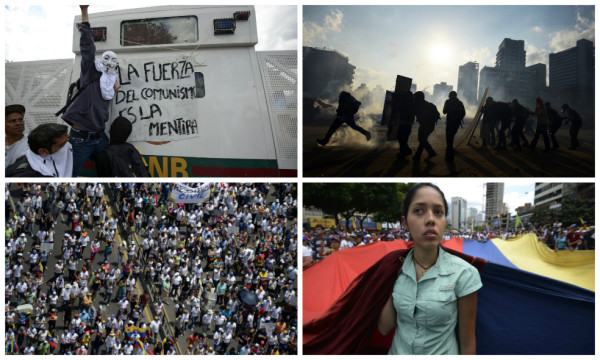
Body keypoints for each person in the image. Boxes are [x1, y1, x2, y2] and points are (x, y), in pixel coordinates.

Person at [378, 183, 482, 354]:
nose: (431, 219)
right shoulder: (394, 267)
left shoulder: (465, 273)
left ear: (444, 222)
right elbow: (384, 327)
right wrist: (390, 278)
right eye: (419, 211)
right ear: (404, 221)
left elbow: (468, 342)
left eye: (438, 212)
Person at [61, 5, 120, 177]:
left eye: (114, 60)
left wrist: (114, 90)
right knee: (69, 175)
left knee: (111, 167)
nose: (110, 62)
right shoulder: (90, 70)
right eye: (107, 58)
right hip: (81, 139)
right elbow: (87, 46)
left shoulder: (110, 81)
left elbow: (100, 100)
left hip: (100, 138)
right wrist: (84, 13)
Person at [6, 123, 73, 177]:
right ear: (43, 151)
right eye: (62, 144)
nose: (68, 145)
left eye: (67, 140)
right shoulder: (25, 175)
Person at [413, 92, 439, 160]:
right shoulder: (429, 105)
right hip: (430, 126)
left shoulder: (418, 105)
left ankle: (419, 156)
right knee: (423, 140)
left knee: (422, 140)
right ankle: (430, 153)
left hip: (425, 125)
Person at [442, 91, 465, 161]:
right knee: (450, 137)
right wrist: (458, 118)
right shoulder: (459, 103)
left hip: (451, 123)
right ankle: (449, 150)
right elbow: (463, 113)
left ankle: (450, 152)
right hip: (455, 123)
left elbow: (444, 111)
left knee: (449, 137)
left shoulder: (448, 102)